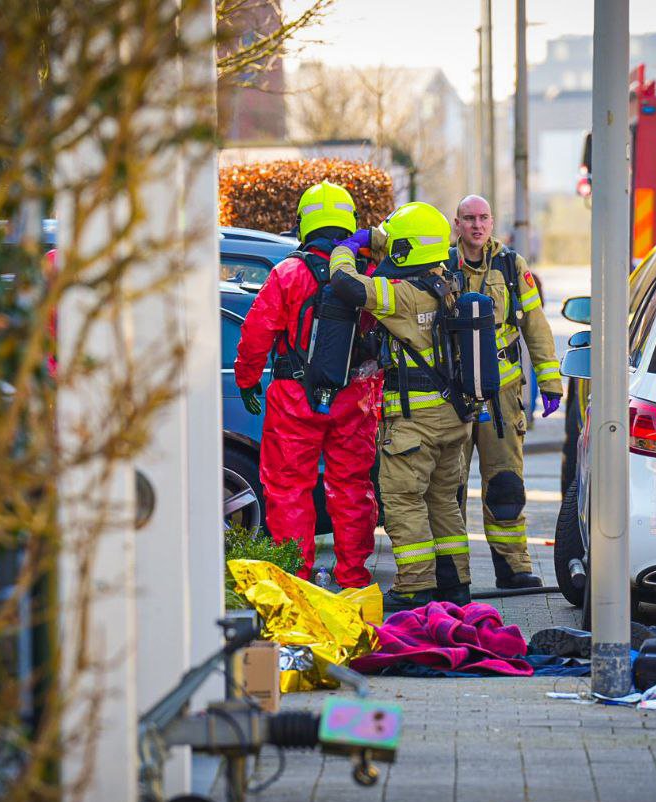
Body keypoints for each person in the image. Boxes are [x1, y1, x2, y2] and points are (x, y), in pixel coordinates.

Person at [232, 181, 382, 589]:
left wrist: (247, 381)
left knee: (289, 489)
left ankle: (296, 580)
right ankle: (353, 580)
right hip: (355, 399)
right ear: (348, 222)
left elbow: (256, 333)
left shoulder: (289, 274)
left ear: (304, 224)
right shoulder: (368, 276)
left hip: (294, 399)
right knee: (352, 489)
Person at [328, 202, 474, 611]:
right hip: (453, 419)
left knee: (405, 504)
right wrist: (382, 241)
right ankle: (456, 585)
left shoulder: (402, 296)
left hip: (414, 427)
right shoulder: (451, 283)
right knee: (444, 502)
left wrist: (347, 246)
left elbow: (345, 283)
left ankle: (414, 587)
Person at [447, 195, 563, 589]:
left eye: (483, 218)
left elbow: (536, 326)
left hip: (502, 396)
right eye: (469, 219)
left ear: (492, 222)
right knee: (450, 486)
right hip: (454, 398)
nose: (477, 226)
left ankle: (513, 569)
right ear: (457, 223)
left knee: (506, 485)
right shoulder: (442, 266)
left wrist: (550, 380)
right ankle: (453, 574)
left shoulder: (512, 267)